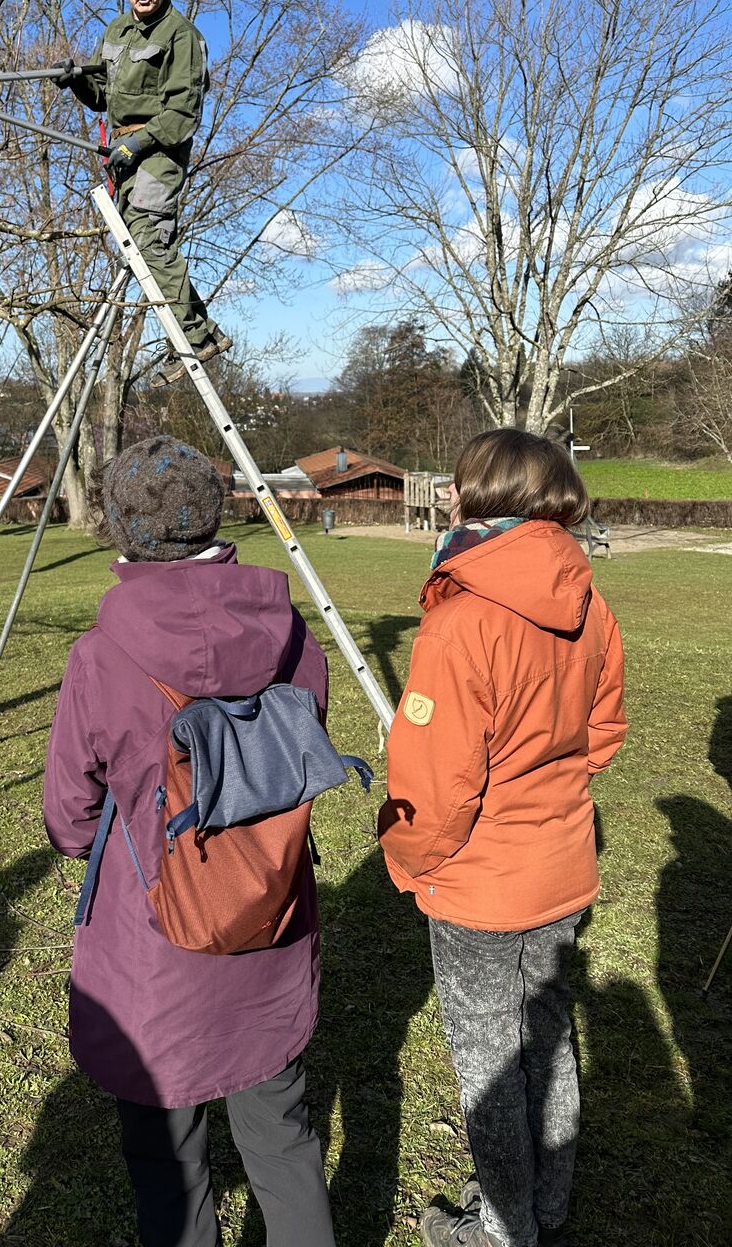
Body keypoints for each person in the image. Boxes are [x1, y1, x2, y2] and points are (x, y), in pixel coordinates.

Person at [44, 435, 337, 1247]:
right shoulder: (292, 637)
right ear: (215, 514)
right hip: (271, 912)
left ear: (121, 529)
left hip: (151, 939)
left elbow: (68, 814)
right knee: (284, 1131)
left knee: (168, 1156)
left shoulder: (101, 657)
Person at [377, 429, 627, 1247]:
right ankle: (545, 1204)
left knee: (493, 1065)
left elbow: (434, 790)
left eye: (457, 483)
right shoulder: (592, 605)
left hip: (484, 882)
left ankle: (504, 1229)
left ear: (481, 495)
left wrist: (409, 860)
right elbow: (601, 736)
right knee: (547, 1044)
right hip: (560, 865)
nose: (447, 495)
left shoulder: (462, 623)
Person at [54, 0, 231, 386]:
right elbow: (101, 96)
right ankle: (195, 330)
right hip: (122, 154)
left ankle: (198, 335)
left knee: (149, 236)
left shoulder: (182, 36)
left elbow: (183, 113)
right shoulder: (116, 31)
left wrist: (140, 145)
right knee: (139, 242)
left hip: (160, 152)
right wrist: (75, 80)